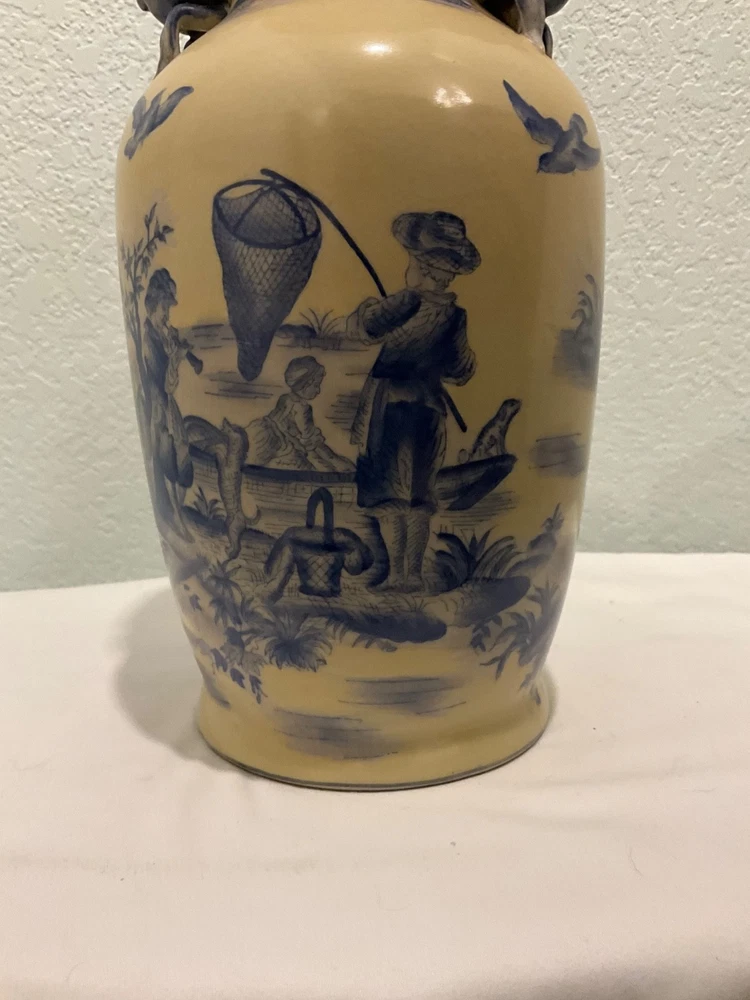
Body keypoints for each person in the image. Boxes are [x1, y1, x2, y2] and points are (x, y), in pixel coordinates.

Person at [347, 211, 481, 591]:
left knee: (390, 498)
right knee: (419, 498)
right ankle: (412, 575)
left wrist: (371, 309)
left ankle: (397, 575)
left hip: (391, 412)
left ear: (420, 268)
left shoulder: (405, 302)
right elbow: (461, 369)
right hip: (429, 415)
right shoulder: (454, 316)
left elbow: (364, 327)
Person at [142, 268, 202, 534]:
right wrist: (177, 358)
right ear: (153, 305)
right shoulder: (149, 341)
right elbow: (165, 383)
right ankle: (176, 515)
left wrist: (178, 351)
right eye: (164, 307)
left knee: (183, 454)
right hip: (160, 409)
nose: (167, 314)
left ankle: (179, 512)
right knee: (170, 461)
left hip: (168, 406)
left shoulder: (163, 335)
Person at [246, 356, 354, 472]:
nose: (318, 390)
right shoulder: (302, 407)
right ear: (304, 385)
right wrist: (334, 460)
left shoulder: (284, 398)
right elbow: (311, 443)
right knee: (323, 468)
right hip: (283, 447)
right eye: (316, 385)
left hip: (270, 438)